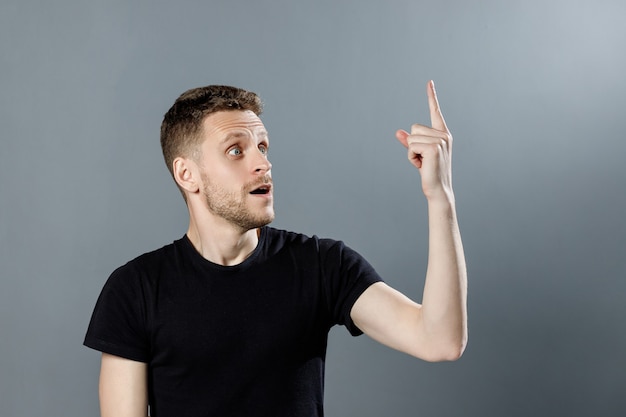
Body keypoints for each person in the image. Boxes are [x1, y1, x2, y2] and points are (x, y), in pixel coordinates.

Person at [84, 81, 467, 417]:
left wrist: (440, 196)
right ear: (188, 174)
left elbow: (440, 340)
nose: (263, 164)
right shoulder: (134, 289)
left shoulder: (322, 265)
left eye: (262, 147)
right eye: (236, 151)